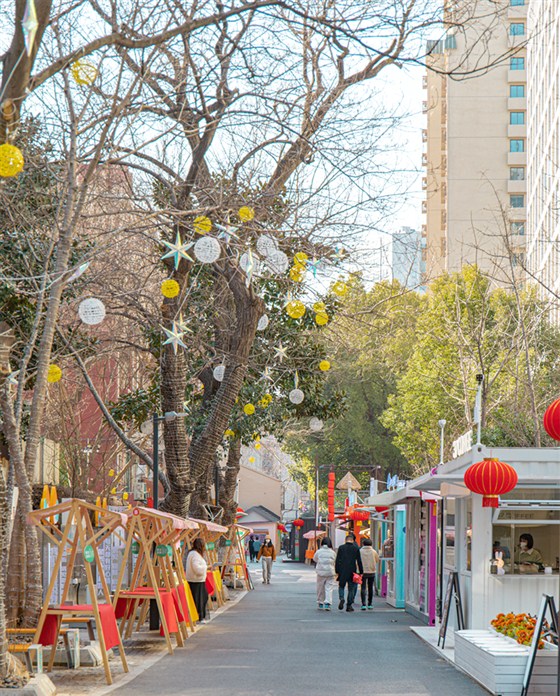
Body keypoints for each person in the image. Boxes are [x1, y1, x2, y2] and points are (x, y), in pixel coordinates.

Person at [335, 534, 364, 612]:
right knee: (351, 588)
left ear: (345, 540)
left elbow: (338, 560)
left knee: (341, 586)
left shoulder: (341, 548)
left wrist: (337, 571)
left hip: (342, 570)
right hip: (352, 570)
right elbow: (359, 561)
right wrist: (361, 571)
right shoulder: (356, 548)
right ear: (353, 540)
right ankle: (349, 605)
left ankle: (341, 598)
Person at [186, 538, 209, 622]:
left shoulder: (193, 554)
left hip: (196, 580)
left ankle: (198, 616)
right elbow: (197, 569)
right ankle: (199, 617)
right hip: (196, 580)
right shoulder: (195, 555)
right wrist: (205, 567)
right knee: (200, 599)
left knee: (199, 599)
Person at [313, 537, 336, 610]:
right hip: (330, 572)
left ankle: (320, 602)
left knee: (320, 587)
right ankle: (327, 603)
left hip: (321, 572)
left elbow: (315, 559)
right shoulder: (333, 552)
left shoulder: (319, 551)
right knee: (329, 588)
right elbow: (335, 560)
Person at [359, 538, 379, 610]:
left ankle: (363, 604)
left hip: (362, 571)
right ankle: (370, 603)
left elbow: (357, 560)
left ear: (363, 544)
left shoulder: (360, 551)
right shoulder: (374, 552)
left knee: (363, 587)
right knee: (370, 588)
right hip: (371, 571)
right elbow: (377, 560)